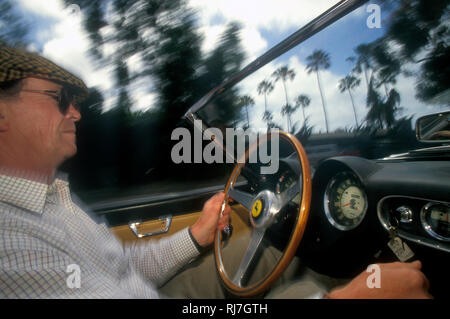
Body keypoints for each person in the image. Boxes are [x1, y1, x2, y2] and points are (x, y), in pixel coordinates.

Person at [0, 46, 432, 299]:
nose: (75, 111)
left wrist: (196, 236)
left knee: (272, 254)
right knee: (310, 280)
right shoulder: (11, 244)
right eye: (58, 98)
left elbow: (122, 266)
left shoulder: (52, 199)